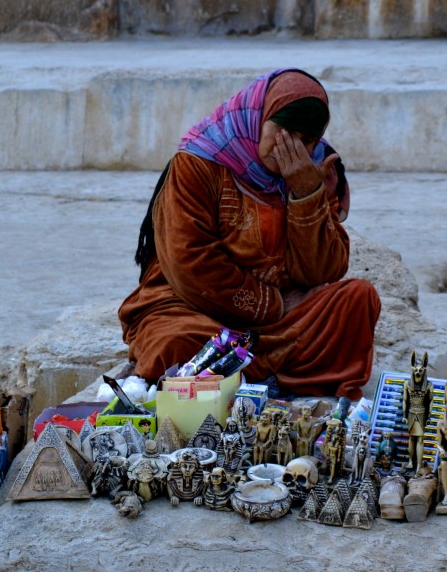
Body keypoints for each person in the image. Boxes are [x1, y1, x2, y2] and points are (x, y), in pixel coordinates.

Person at [119, 68, 381, 401]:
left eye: (306, 140)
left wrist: (305, 194)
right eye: (282, 132)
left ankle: (246, 375)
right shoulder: (198, 163)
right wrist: (271, 304)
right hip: (195, 309)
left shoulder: (315, 168)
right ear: (258, 119)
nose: (291, 148)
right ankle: (270, 376)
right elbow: (190, 264)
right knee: (175, 342)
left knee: (358, 300)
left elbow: (324, 271)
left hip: (280, 325)